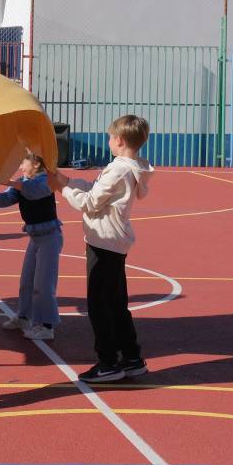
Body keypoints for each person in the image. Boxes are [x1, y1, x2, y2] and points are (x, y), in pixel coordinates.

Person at [49, 115, 154, 384]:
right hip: (115, 241)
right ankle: (131, 357)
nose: (108, 141)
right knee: (117, 303)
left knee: (99, 305)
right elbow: (96, 190)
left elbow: (91, 203)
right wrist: (66, 180)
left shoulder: (118, 169)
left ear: (118, 140)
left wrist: (62, 189)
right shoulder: (131, 168)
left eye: (109, 137)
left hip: (104, 240)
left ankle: (108, 361)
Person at [0, 152, 63, 341]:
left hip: (50, 237)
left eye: (23, 161)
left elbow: (34, 191)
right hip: (35, 238)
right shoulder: (22, 181)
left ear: (36, 164)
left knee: (43, 285)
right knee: (26, 282)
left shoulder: (44, 180)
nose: (21, 165)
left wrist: (5, 180)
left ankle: (47, 326)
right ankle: (24, 317)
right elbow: (4, 200)